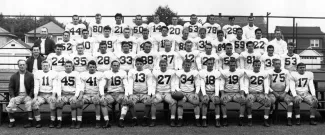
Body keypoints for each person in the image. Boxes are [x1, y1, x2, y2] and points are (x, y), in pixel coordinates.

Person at [121, 58, 154, 127]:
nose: (139, 65)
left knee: (149, 101)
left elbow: (149, 83)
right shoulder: (132, 71)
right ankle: (134, 118)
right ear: (135, 64)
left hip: (144, 93)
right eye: (137, 64)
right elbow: (130, 83)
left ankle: (145, 118)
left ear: (143, 65)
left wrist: (148, 94)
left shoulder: (147, 71)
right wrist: (130, 94)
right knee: (130, 102)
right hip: (135, 93)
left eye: (140, 64)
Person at [6, 59, 34, 128]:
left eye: (23, 65)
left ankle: (30, 122)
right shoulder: (14, 76)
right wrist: (12, 97)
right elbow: (11, 87)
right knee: (10, 105)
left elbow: (33, 87)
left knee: (29, 104)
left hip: (27, 95)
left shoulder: (30, 75)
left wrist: (30, 96)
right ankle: (12, 122)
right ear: (18, 66)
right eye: (20, 65)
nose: (22, 66)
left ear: (26, 66)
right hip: (17, 95)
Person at [56, 60, 83, 129]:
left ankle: (73, 121)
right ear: (64, 66)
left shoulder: (76, 73)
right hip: (64, 94)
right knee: (58, 103)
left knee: (74, 104)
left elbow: (78, 86)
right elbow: (58, 86)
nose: (68, 67)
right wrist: (59, 96)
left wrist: (75, 96)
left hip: (72, 94)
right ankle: (59, 121)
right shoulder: (60, 74)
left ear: (72, 67)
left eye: (69, 66)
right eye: (67, 66)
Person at [102, 60, 129, 128]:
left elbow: (126, 84)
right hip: (110, 93)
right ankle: (107, 121)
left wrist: (126, 95)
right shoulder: (106, 73)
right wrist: (102, 95)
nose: (116, 66)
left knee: (125, 101)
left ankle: (121, 120)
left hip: (120, 93)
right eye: (114, 65)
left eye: (117, 65)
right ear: (111, 66)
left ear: (119, 66)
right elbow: (102, 85)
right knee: (103, 102)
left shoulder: (123, 73)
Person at [245, 60, 271, 127]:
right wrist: (247, 94)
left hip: (260, 93)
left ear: (260, 65)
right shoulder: (249, 73)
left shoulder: (264, 73)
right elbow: (246, 85)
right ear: (253, 65)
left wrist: (266, 94)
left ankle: (266, 120)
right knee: (248, 101)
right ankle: (249, 119)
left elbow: (266, 85)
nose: (257, 66)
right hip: (251, 93)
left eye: (258, 65)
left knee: (268, 101)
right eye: (256, 65)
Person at [80, 60, 106, 128]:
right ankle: (79, 121)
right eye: (90, 67)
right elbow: (82, 86)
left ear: (96, 67)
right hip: (86, 94)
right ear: (87, 67)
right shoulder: (83, 74)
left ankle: (98, 121)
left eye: (93, 67)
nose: (92, 68)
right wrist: (81, 95)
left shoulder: (100, 74)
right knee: (79, 102)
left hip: (96, 94)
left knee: (97, 102)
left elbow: (101, 86)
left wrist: (101, 94)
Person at [220, 59, 246, 126]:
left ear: (236, 65)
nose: (232, 66)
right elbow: (221, 84)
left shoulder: (239, 73)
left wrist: (242, 94)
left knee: (243, 100)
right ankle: (225, 119)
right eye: (231, 65)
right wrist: (222, 94)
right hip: (227, 93)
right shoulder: (225, 73)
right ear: (228, 65)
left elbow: (241, 84)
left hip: (236, 93)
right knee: (222, 101)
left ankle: (241, 118)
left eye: (234, 65)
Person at [267, 59, 293, 126]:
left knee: (290, 102)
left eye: (279, 63)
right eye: (276, 64)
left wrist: (285, 93)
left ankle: (289, 118)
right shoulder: (269, 72)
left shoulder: (286, 72)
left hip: (283, 92)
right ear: (273, 65)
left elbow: (288, 84)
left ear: (281, 64)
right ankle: (270, 116)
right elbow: (267, 85)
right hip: (273, 92)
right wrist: (274, 92)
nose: (278, 65)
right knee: (270, 101)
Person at [152, 59, 178, 127]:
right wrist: (153, 93)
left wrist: (172, 91)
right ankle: (153, 120)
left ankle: (172, 119)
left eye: (164, 65)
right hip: (159, 92)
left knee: (173, 102)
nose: (163, 66)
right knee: (153, 102)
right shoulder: (155, 73)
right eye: (162, 65)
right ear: (159, 65)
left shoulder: (171, 72)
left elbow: (172, 83)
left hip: (167, 92)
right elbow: (154, 84)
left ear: (167, 65)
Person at [32, 60, 58, 128]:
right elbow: (36, 86)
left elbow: (55, 85)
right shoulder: (38, 73)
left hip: (50, 94)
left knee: (53, 103)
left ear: (49, 66)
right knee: (35, 104)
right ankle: (38, 121)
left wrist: (53, 95)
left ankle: (52, 121)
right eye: (44, 66)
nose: (45, 67)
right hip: (41, 94)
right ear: (41, 66)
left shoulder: (54, 73)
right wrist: (35, 96)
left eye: (47, 66)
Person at [175, 59, 200, 127]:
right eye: (186, 65)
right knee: (180, 103)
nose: (187, 66)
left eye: (188, 65)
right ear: (183, 65)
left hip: (191, 93)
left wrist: (196, 93)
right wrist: (179, 90)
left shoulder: (194, 72)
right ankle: (180, 120)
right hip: (182, 92)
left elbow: (198, 84)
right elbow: (176, 84)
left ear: (191, 66)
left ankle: (197, 120)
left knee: (196, 102)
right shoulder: (179, 72)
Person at [199, 58, 221, 127]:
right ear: (206, 64)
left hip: (213, 92)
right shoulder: (202, 72)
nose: (210, 65)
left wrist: (217, 95)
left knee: (217, 102)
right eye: (209, 63)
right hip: (205, 92)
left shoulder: (216, 73)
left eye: (211, 64)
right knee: (205, 102)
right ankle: (204, 120)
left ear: (213, 64)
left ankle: (217, 120)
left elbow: (217, 85)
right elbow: (202, 85)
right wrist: (204, 94)